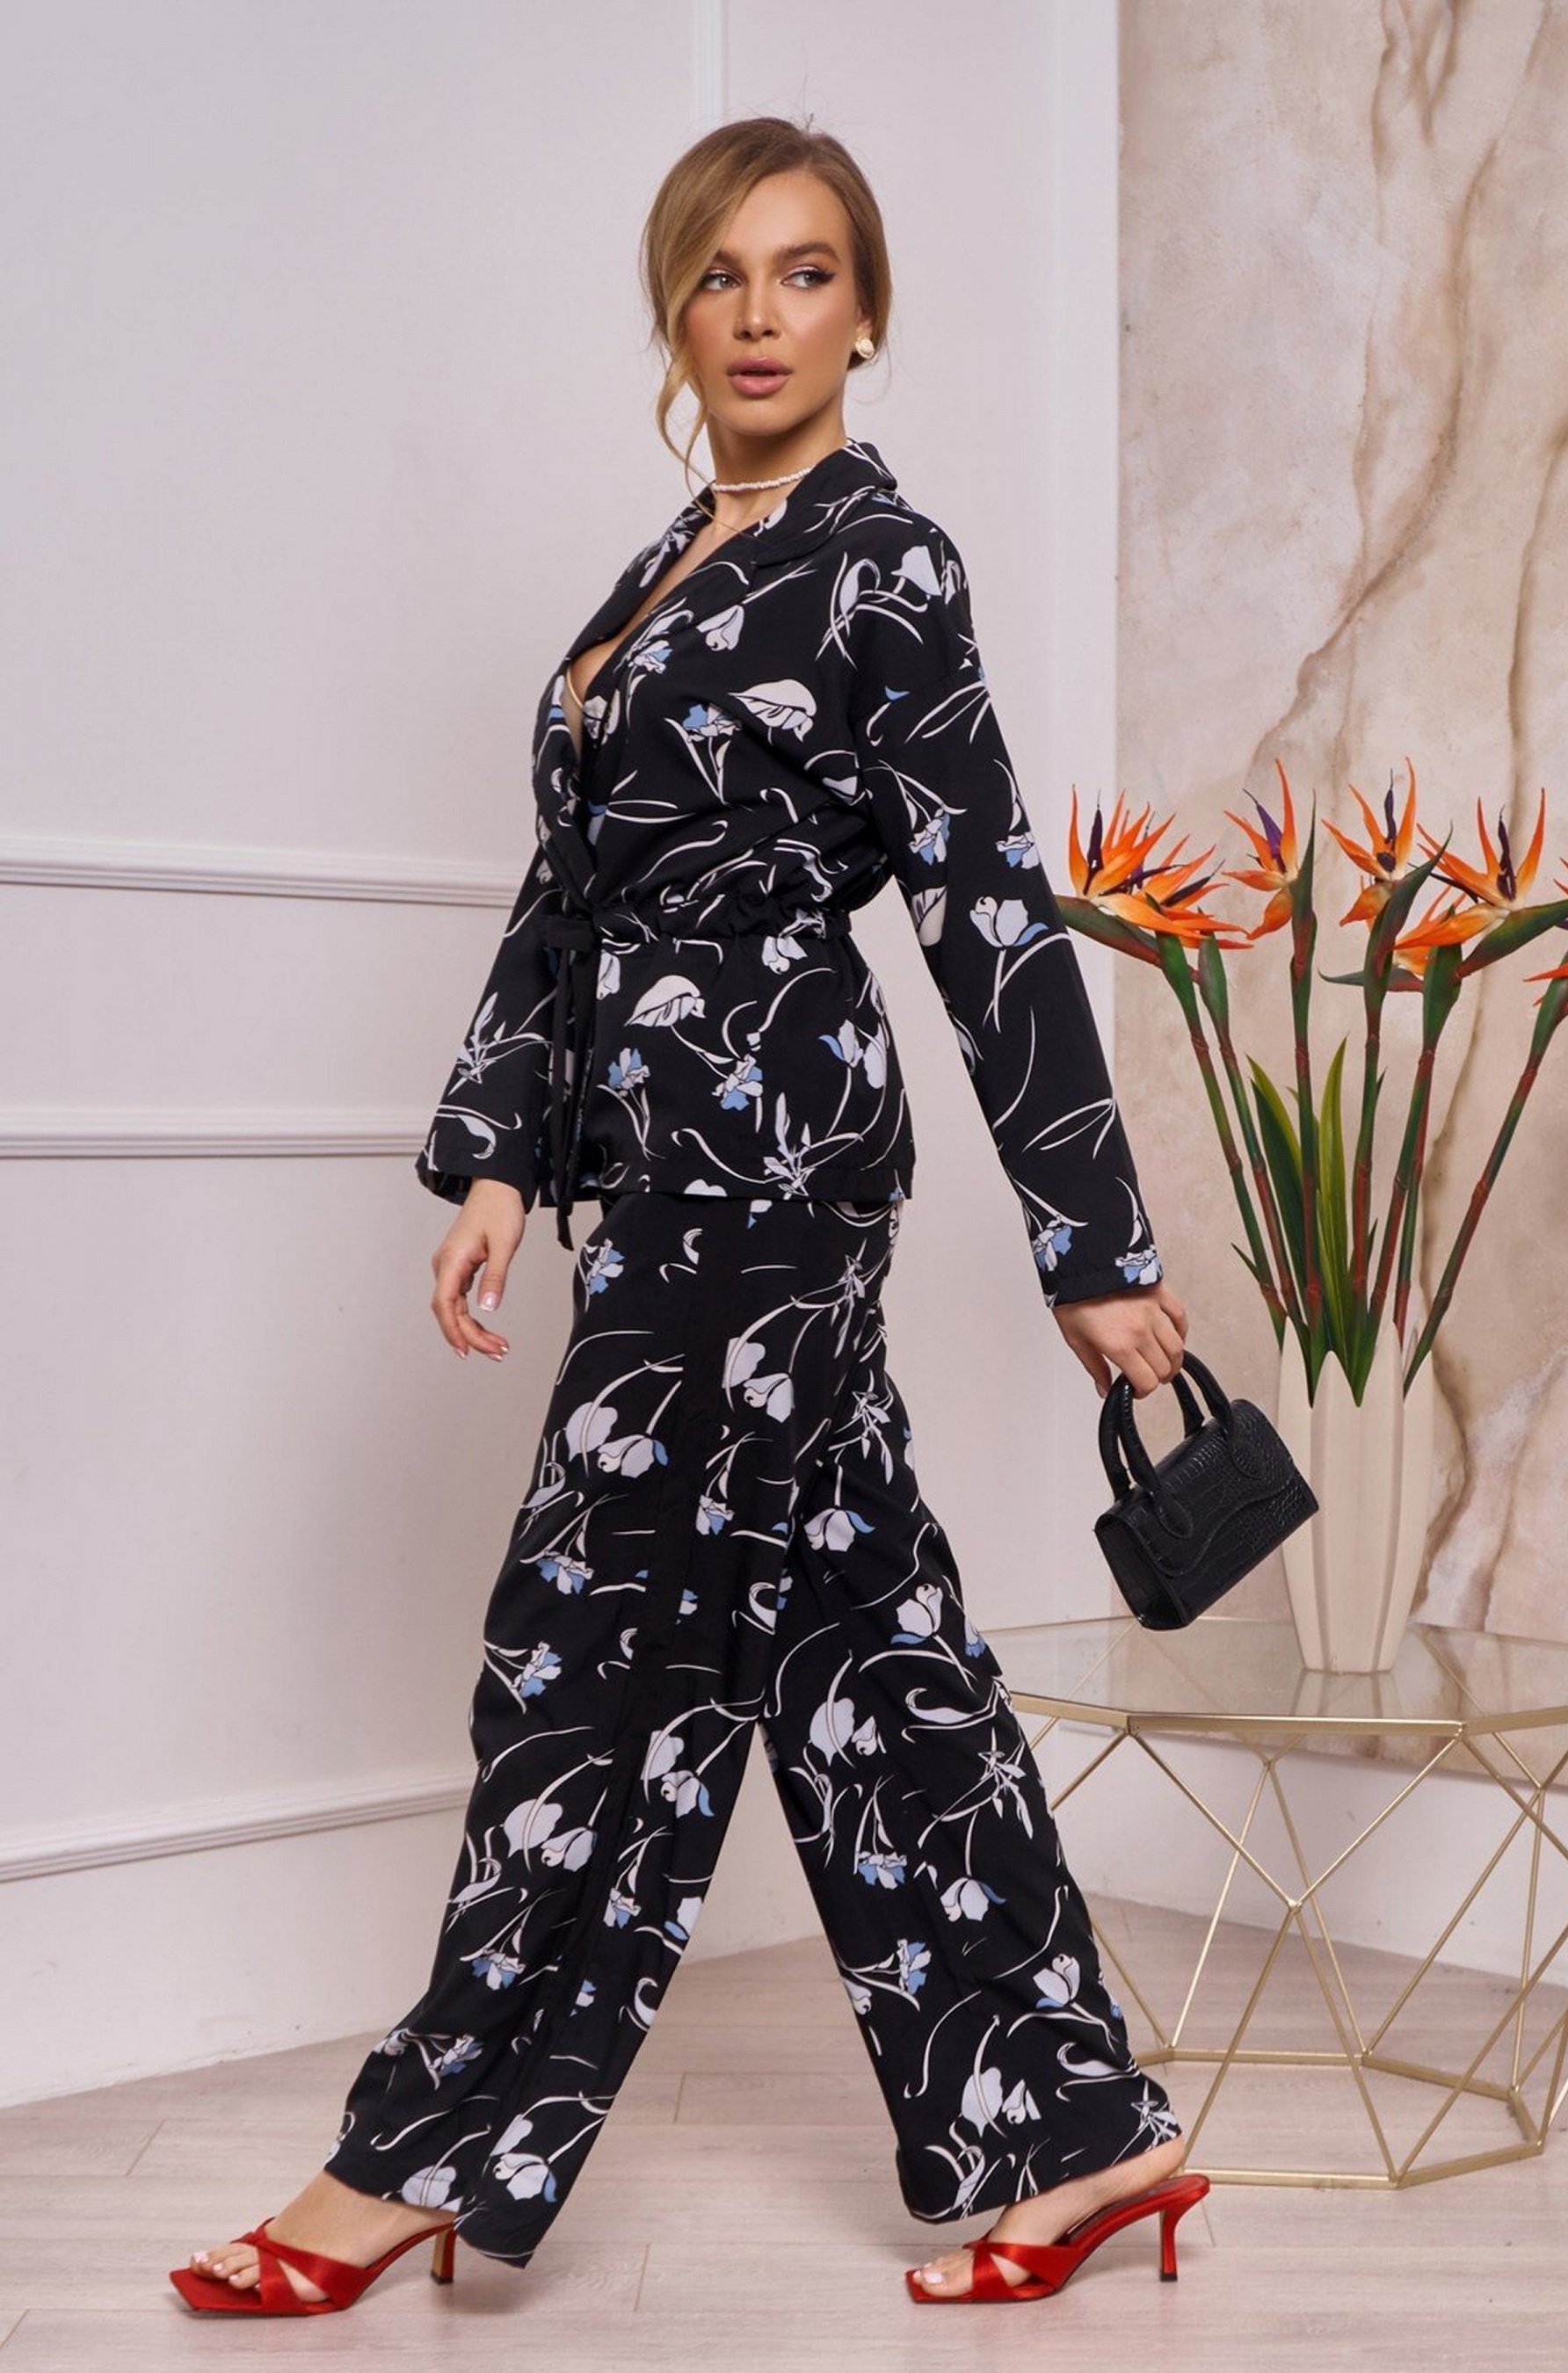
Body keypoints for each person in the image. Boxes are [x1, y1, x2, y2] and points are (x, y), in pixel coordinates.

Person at [172, 112, 1201, 2319]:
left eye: (804, 272)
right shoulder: (667, 560)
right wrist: (501, 1154)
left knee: (584, 1645)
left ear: (866, 309)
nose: (759, 315)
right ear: (674, 303)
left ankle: (419, 2154)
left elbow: (983, 903)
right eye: (721, 274)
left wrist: (1093, 1244)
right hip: (649, 1171)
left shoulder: (881, 563)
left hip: (769, 1170)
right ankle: (1082, 2132)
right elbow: (574, 887)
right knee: (859, 1658)